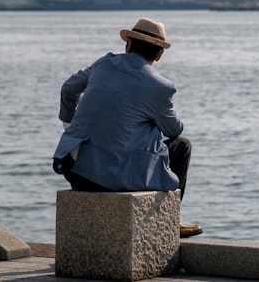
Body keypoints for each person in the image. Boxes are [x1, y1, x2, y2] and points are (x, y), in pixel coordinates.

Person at [53, 17, 202, 238]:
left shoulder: (103, 63)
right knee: (182, 146)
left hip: (74, 168)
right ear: (159, 55)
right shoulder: (159, 87)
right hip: (112, 178)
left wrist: (70, 124)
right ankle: (170, 221)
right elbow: (174, 130)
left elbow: (68, 89)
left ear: (128, 44)